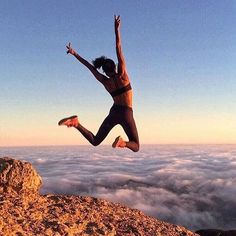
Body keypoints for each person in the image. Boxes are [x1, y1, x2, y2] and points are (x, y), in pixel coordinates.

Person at [58, 15, 139, 152]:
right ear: (115, 66)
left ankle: (76, 123)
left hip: (114, 112)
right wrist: (116, 29)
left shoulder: (105, 81)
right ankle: (122, 143)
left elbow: (89, 67)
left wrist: (74, 53)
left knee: (95, 141)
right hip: (126, 113)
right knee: (136, 146)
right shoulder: (123, 76)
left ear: (106, 72)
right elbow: (118, 48)